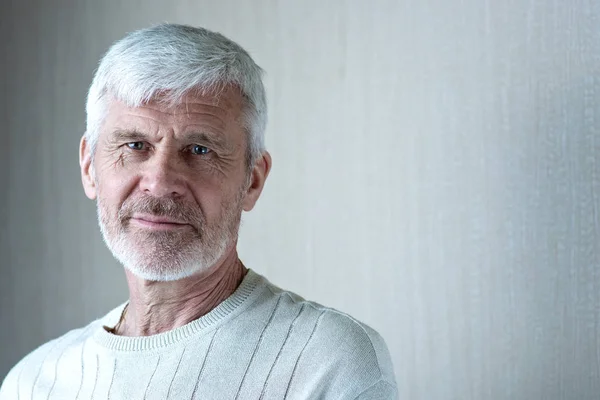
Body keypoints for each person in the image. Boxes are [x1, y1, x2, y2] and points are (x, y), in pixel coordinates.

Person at [0, 23, 398, 399]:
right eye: (135, 145)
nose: (159, 181)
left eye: (200, 150)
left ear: (252, 181)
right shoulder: (32, 383)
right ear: (89, 167)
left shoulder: (327, 362)